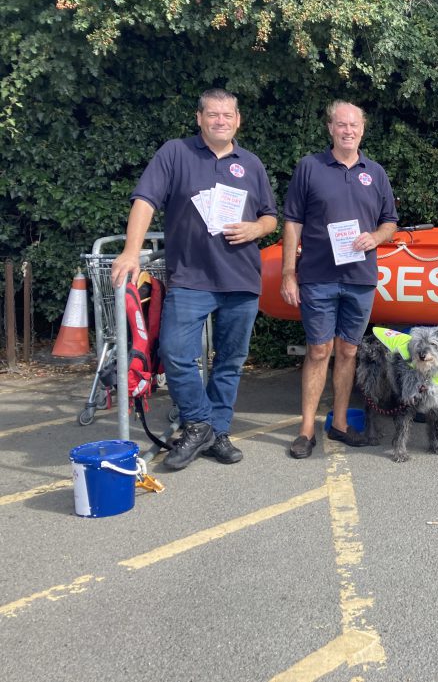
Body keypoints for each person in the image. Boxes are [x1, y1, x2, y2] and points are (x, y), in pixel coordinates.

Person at [111, 89, 278, 470]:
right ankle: (202, 423)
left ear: (238, 120)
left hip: (241, 280)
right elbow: (145, 201)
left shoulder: (250, 163)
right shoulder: (175, 153)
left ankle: (216, 430)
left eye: (228, 115)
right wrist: (131, 251)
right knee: (176, 353)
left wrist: (256, 228)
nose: (221, 121)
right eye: (213, 114)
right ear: (199, 118)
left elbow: (271, 217)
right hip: (191, 278)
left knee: (231, 361)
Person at [281, 102, 398, 459]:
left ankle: (340, 424)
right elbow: (292, 222)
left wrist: (375, 238)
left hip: (360, 278)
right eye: (342, 125)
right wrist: (288, 271)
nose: (348, 130)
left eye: (355, 125)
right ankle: (305, 431)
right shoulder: (309, 167)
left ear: (362, 130)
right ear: (330, 127)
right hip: (318, 276)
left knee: (348, 351)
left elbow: (390, 222)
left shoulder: (374, 172)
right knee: (319, 351)